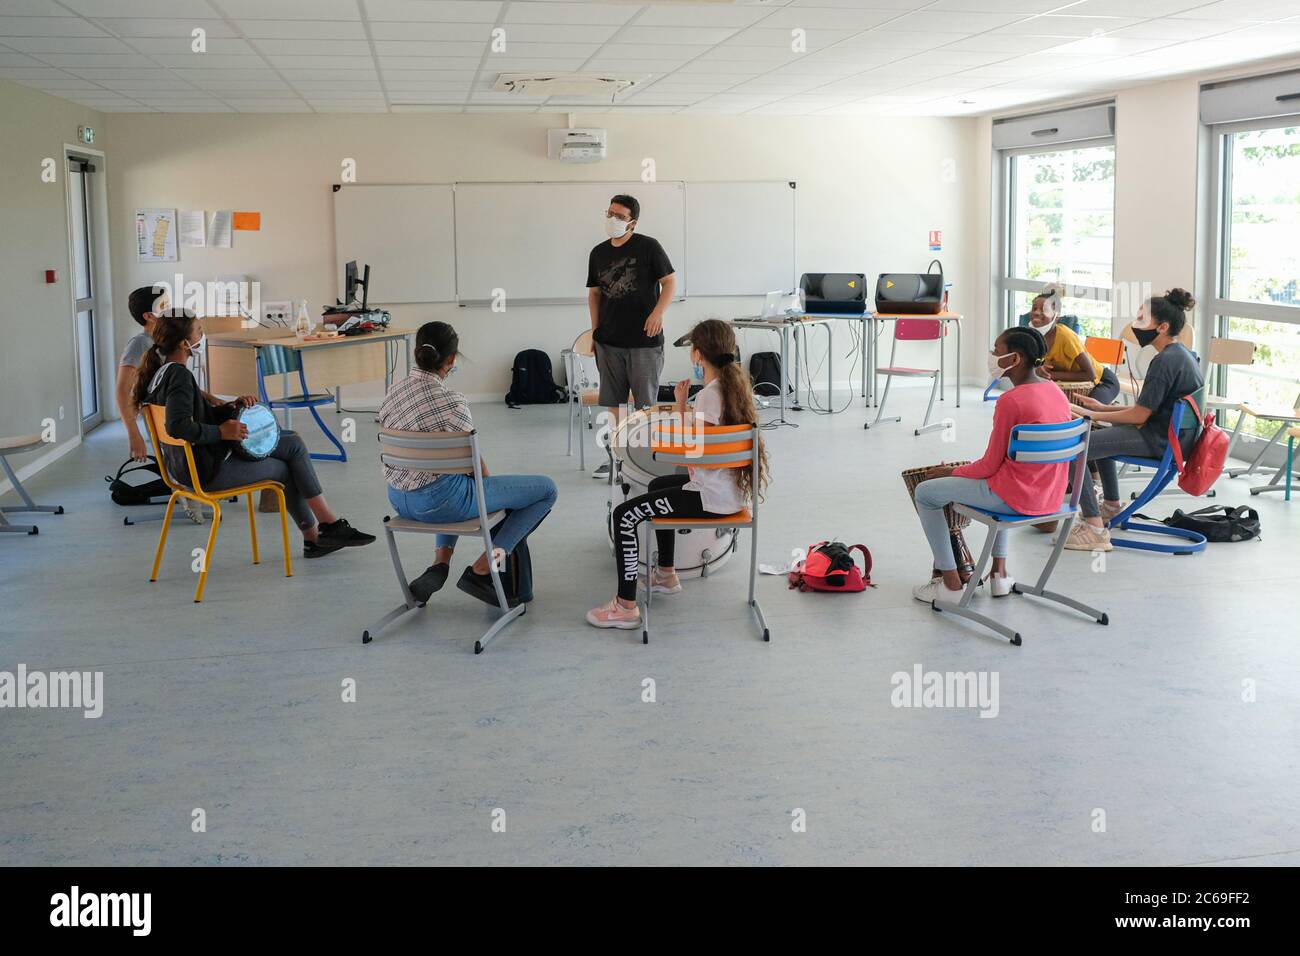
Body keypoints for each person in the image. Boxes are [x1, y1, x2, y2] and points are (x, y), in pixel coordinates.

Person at [133, 308, 374, 559]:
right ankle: (321, 532)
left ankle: (321, 532)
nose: (202, 337)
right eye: (199, 332)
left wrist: (231, 407)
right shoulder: (179, 375)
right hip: (206, 471)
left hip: (184, 468)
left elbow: (195, 416)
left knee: (291, 441)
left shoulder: (161, 374)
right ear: (185, 343)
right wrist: (221, 432)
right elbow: (178, 426)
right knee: (287, 462)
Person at [587, 319, 768, 630]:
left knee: (624, 515)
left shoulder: (710, 396)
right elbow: (707, 445)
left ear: (697, 355)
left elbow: (695, 454)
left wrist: (673, 434)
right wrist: (685, 408)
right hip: (727, 494)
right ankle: (666, 574)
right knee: (658, 484)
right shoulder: (731, 388)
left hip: (709, 500)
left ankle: (625, 606)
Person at [379, 321, 557, 605]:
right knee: (546, 490)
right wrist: (491, 488)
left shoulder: (392, 392)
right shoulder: (453, 401)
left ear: (416, 353)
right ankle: (484, 567)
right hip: (442, 504)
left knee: (445, 478)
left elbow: (456, 460)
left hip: (398, 500)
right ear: (451, 359)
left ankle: (441, 563)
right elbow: (471, 463)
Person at [911, 326, 1072, 604]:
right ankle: (999, 575)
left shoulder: (1010, 401)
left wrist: (951, 471)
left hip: (1013, 500)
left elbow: (988, 467)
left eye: (997, 351)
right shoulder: (1056, 392)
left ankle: (950, 585)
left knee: (925, 493)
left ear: (1015, 358)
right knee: (1007, 473)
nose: (992, 355)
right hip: (1052, 500)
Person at [1065, 288, 1204, 552]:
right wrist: (1103, 410)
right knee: (1101, 433)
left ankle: (1094, 528)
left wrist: (1093, 413)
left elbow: (1140, 415)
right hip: (1176, 438)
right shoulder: (1183, 354)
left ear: (1162, 327)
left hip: (1162, 441)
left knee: (1076, 448)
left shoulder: (1165, 362)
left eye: (1142, 320)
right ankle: (1111, 506)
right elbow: (1145, 411)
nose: (1135, 325)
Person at [586, 194, 676, 480]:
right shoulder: (598, 253)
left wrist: (658, 313)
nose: (612, 219)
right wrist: (595, 330)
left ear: (632, 223)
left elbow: (670, 282)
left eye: (619, 216)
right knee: (612, 402)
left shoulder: (649, 247)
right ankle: (614, 458)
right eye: (609, 213)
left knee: (644, 404)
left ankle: (643, 461)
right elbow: (594, 294)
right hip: (608, 340)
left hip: (644, 342)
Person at [1028, 287, 1121, 405]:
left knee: (1086, 412)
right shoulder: (1033, 336)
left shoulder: (1065, 337)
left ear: (1057, 315)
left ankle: (1109, 409)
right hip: (1070, 385)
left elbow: (1090, 374)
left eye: (1044, 310)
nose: (1036, 312)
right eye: (1034, 308)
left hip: (1103, 382)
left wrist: (1050, 375)